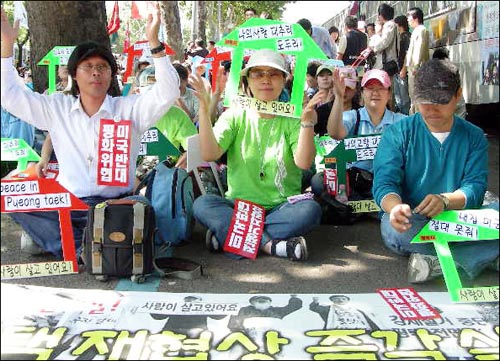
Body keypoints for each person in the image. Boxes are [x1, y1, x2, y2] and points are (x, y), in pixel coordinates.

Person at [0, 4, 180, 259]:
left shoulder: (130, 109)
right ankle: (86, 246)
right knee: (16, 202)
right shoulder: (56, 107)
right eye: (88, 66)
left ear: (110, 75)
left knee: (139, 210)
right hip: (68, 204)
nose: (96, 72)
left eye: (103, 67)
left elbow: (169, 92)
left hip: (116, 205)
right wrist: (6, 48)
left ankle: (72, 242)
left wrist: (155, 43)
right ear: (74, 74)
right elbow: (8, 96)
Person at [373, 58, 499, 283]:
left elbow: (475, 187)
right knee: (393, 229)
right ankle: (488, 255)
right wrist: (394, 208)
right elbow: (385, 183)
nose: (431, 109)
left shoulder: (474, 136)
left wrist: (446, 200)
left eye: (440, 101)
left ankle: (437, 261)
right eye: (424, 101)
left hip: (461, 219)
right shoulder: (398, 133)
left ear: (458, 95)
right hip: (416, 220)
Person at [189, 49, 322, 261]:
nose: (266, 80)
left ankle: (231, 237)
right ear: (247, 81)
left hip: (281, 207)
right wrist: (204, 110)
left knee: (310, 210)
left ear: (284, 80)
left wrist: (307, 122)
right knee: (202, 205)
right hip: (239, 206)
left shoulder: (293, 117)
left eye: (273, 74)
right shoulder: (234, 115)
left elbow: (304, 163)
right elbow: (209, 153)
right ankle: (272, 245)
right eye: (258, 73)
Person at [311, 68, 405, 200]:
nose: (375, 93)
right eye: (370, 88)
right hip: (357, 183)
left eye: (381, 88)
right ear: (362, 93)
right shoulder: (353, 117)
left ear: (389, 93)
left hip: (390, 183)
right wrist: (338, 97)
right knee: (319, 181)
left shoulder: (401, 121)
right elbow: (335, 133)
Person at [133, 65, 198, 175]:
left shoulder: (177, 115)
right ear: (138, 91)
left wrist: (185, 160)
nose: (156, 98)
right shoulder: (126, 115)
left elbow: (194, 147)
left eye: (160, 92)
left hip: (167, 174)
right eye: (150, 93)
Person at [400, 7, 429, 114]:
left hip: (416, 70)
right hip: (413, 69)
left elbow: (419, 50)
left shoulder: (421, 30)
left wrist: (416, 67)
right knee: (413, 96)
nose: (408, 20)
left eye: (409, 18)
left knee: (417, 97)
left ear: (416, 18)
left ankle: (417, 119)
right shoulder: (417, 31)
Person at [310, 295, 380, 331]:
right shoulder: (328, 308)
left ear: (347, 300)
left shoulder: (357, 311)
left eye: (343, 299)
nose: (340, 300)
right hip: (338, 331)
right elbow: (316, 308)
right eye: (337, 299)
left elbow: (369, 321)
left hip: (360, 330)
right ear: (333, 300)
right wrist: (315, 302)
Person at [367, 4, 398, 77]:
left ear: (383, 14)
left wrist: (373, 48)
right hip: (387, 62)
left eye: (379, 14)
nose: (378, 17)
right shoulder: (388, 25)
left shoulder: (389, 24)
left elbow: (385, 42)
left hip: (389, 61)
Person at [392, 15, 411, 115]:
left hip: (403, 72)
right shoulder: (401, 36)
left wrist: (404, 69)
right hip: (398, 71)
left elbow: (408, 54)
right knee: (398, 97)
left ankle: (405, 117)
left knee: (404, 99)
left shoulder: (406, 36)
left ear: (399, 25)